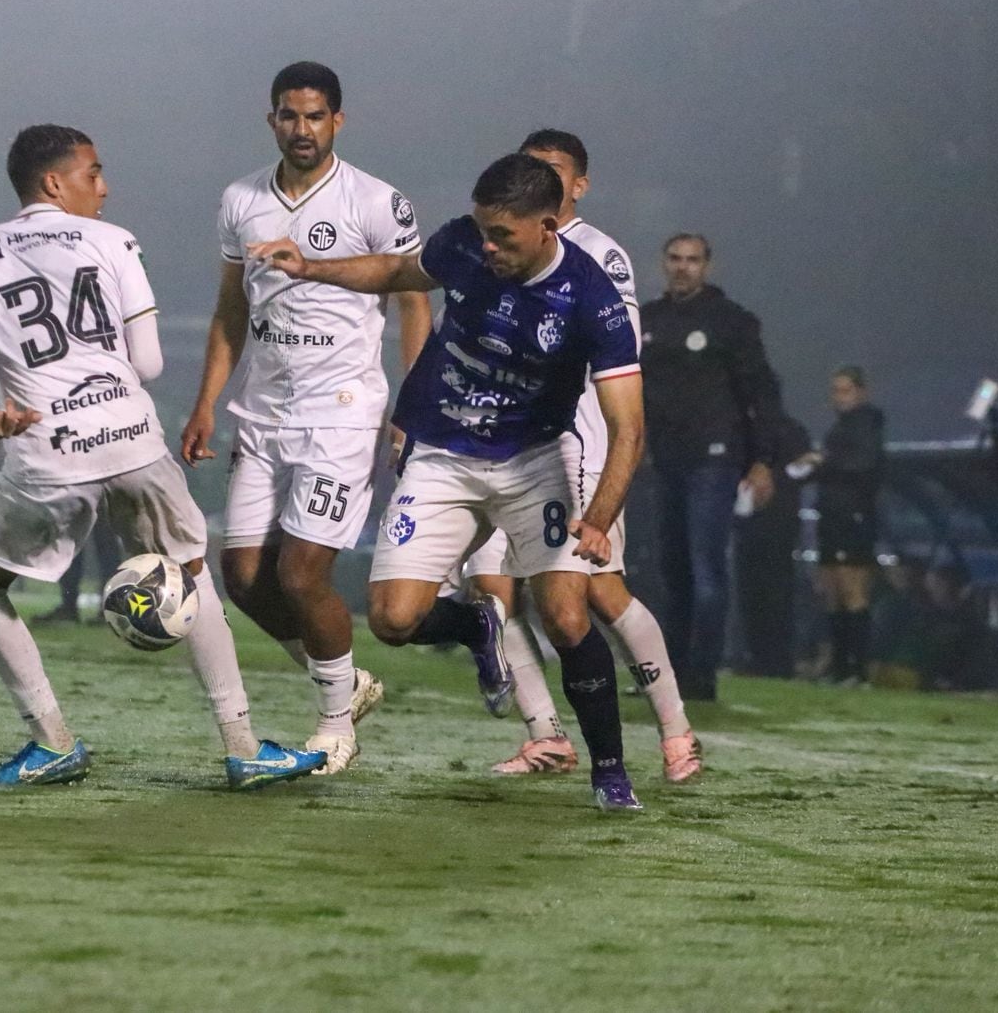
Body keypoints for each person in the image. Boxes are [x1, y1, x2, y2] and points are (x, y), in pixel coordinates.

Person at [252, 151, 648, 811]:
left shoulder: (592, 299)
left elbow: (628, 427)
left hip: (534, 461)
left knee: (566, 614)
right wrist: (311, 267)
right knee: (392, 620)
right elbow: (398, 270)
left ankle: (610, 773)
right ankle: (471, 623)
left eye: (504, 236)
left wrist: (599, 520)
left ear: (548, 225)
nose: (487, 246)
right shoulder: (464, 243)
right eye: (482, 230)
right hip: (442, 453)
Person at [0, 124, 326, 790]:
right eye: (93, 172)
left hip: (49, 450)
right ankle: (243, 746)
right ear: (54, 182)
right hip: (133, 436)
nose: (105, 186)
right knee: (193, 573)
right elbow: (145, 362)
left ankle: (52, 740)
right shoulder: (114, 242)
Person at [180, 62, 432, 774]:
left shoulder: (376, 202)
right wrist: (205, 402)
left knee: (301, 573)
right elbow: (233, 307)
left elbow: (415, 298)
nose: (301, 129)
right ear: (272, 121)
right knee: (242, 575)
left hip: (343, 414)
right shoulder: (240, 199)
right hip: (262, 414)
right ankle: (348, 684)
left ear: (337, 122)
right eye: (289, 116)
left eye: (315, 116)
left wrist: (413, 399)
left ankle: (334, 727)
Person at [453, 129, 701, 782]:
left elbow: (613, 352)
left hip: (577, 449)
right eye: (530, 168)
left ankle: (676, 731)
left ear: (579, 185)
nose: (541, 179)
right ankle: (548, 734)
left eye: (554, 171)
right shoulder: (500, 249)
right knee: (489, 589)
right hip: (499, 449)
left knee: (592, 597)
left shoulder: (599, 257)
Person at [640, 233, 783, 701]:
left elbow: (762, 392)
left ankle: (701, 676)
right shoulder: (648, 320)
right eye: (676, 259)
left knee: (706, 570)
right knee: (672, 572)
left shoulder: (732, 322)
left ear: (708, 266)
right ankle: (671, 673)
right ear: (663, 263)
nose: (683, 267)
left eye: (693, 260)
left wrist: (763, 460)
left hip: (715, 459)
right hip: (665, 460)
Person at [789, 365, 885, 684]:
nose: (838, 397)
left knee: (852, 589)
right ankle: (840, 665)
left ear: (860, 392)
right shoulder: (839, 429)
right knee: (831, 590)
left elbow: (862, 464)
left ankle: (859, 669)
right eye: (835, 390)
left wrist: (823, 462)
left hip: (853, 517)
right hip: (831, 517)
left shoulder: (869, 422)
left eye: (845, 390)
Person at [735, 412, 812, 679]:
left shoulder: (783, 430)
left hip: (775, 523)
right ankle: (763, 658)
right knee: (756, 591)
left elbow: (802, 471)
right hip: (760, 523)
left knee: (772, 591)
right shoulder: (778, 429)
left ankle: (774, 660)